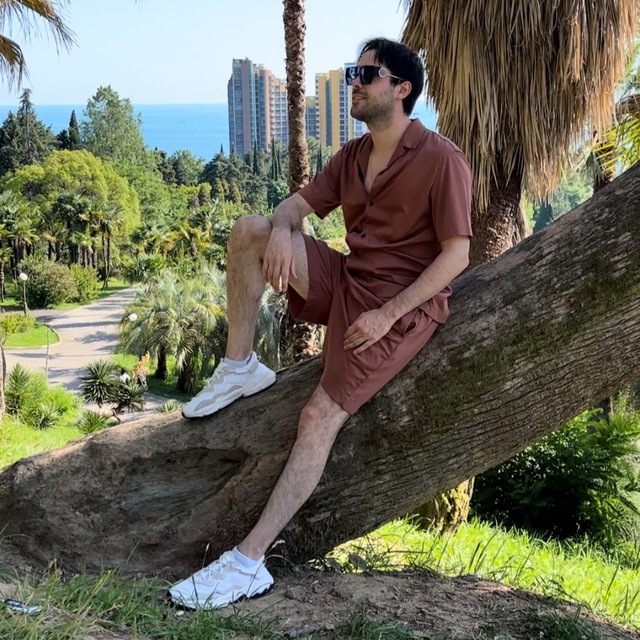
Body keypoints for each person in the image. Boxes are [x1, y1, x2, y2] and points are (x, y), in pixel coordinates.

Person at [171, 37, 472, 610]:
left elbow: (457, 254)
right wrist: (285, 232)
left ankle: (248, 562)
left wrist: (388, 314)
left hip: (396, 310)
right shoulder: (353, 156)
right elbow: (292, 207)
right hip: (348, 279)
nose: (354, 82)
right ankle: (239, 366)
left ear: (401, 89)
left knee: (317, 417)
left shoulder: (441, 159)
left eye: (366, 74)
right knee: (251, 231)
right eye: (352, 72)